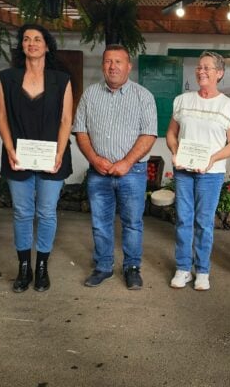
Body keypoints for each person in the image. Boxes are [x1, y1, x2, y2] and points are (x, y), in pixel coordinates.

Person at [0, 24, 73, 293]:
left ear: (47, 45)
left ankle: (41, 266)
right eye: (26, 39)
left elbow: (66, 120)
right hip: (18, 157)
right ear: (22, 46)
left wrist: (60, 152)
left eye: (37, 39)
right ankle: (23, 268)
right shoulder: (7, 78)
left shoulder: (61, 79)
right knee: (22, 213)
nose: (32, 43)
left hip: (52, 158)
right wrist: (8, 148)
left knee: (46, 212)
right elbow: (3, 118)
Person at [74, 44, 157, 291]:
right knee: (100, 222)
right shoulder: (90, 95)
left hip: (133, 173)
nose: (113, 66)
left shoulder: (143, 96)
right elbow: (80, 131)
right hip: (98, 172)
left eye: (118, 62)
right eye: (108, 62)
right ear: (103, 66)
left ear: (128, 66)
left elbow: (149, 134)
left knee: (132, 223)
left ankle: (132, 268)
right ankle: (103, 266)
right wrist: (94, 159)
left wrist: (126, 162)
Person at [166, 51, 230, 291]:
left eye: (207, 68)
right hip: (184, 170)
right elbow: (171, 134)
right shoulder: (183, 101)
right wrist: (175, 152)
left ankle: (203, 271)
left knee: (204, 222)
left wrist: (212, 158)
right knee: (184, 219)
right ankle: (183, 268)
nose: (202, 71)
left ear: (219, 73)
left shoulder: (228, 107)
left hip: (212, 172)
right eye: (199, 67)